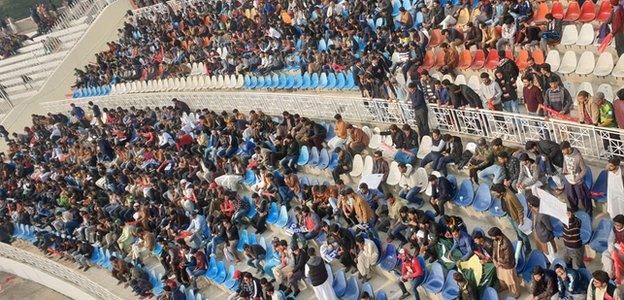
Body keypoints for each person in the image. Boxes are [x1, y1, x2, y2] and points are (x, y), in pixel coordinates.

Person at [490, 185, 531, 254]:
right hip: (510, 215)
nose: (494, 195)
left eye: (495, 193)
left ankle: (528, 248)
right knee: (517, 232)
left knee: (522, 234)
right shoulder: (502, 194)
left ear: (500, 192)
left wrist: (521, 220)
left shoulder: (510, 196)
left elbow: (520, 208)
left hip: (516, 218)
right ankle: (520, 243)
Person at [561, 141, 592, 216]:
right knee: (569, 195)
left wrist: (577, 178)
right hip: (568, 178)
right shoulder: (565, 154)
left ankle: (588, 212)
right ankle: (574, 208)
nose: (562, 152)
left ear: (568, 148)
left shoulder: (578, 156)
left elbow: (584, 170)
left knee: (583, 196)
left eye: (563, 150)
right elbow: (565, 163)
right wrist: (564, 170)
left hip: (577, 179)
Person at [527, 195, 557, 259]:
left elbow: (549, 226)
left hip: (545, 236)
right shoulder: (534, 210)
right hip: (540, 233)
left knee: (550, 252)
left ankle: (553, 259)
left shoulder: (542, 214)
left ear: (531, 205)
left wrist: (551, 230)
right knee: (547, 249)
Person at [602, 214, 624, 283]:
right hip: (616, 248)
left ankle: (617, 276)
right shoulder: (614, 229)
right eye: (615, 224)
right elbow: (610, 240)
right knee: (605, 254)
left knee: (615, 257)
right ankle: (609, 275)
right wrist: (612, 250)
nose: (616, 226)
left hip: (622, 251)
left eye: (618, 225)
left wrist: (617, 247)